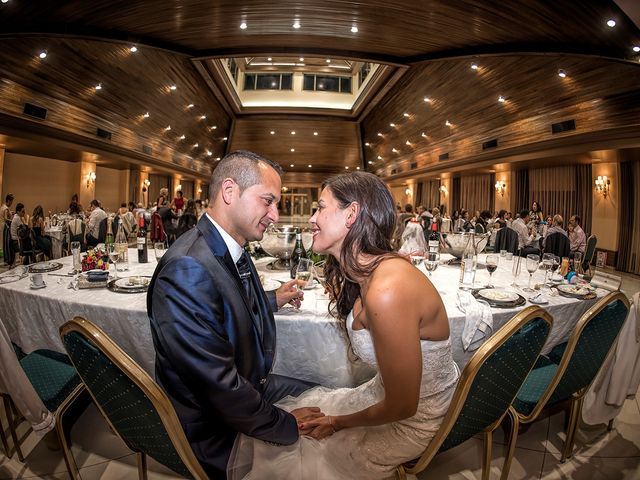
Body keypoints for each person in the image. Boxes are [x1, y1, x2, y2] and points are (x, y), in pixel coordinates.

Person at [227, 171, 460, 479]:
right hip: (382, 395)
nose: (311, 219)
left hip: (413, 418)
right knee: (292, 425)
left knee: (305, 460)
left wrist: (336, 422)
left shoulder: (388, 290)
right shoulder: (364, 273)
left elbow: (404, 406)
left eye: (320, 207)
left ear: (351, 213)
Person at [148, 151, 321, 478]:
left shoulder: (227, 246)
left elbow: (225, 305)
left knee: (330, 399)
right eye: (268, 201)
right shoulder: (186, 268)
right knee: (323, 449)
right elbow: (219, 389)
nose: (275, 215)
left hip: (250, 386)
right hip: (213, 428)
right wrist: (286, 424)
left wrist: (274, 299)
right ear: (229, 191)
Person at [1, 193, 14, 265]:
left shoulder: (2, 206)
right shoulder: (6, 208)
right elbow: (6, 218)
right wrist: (13, 221)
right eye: (11, 201)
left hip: (1, 226)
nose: (11, 203)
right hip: (5, 227)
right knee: (7, 244)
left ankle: (5, 259)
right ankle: (8, 259)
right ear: (8, 200)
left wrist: (10, 212)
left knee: (3, 243)